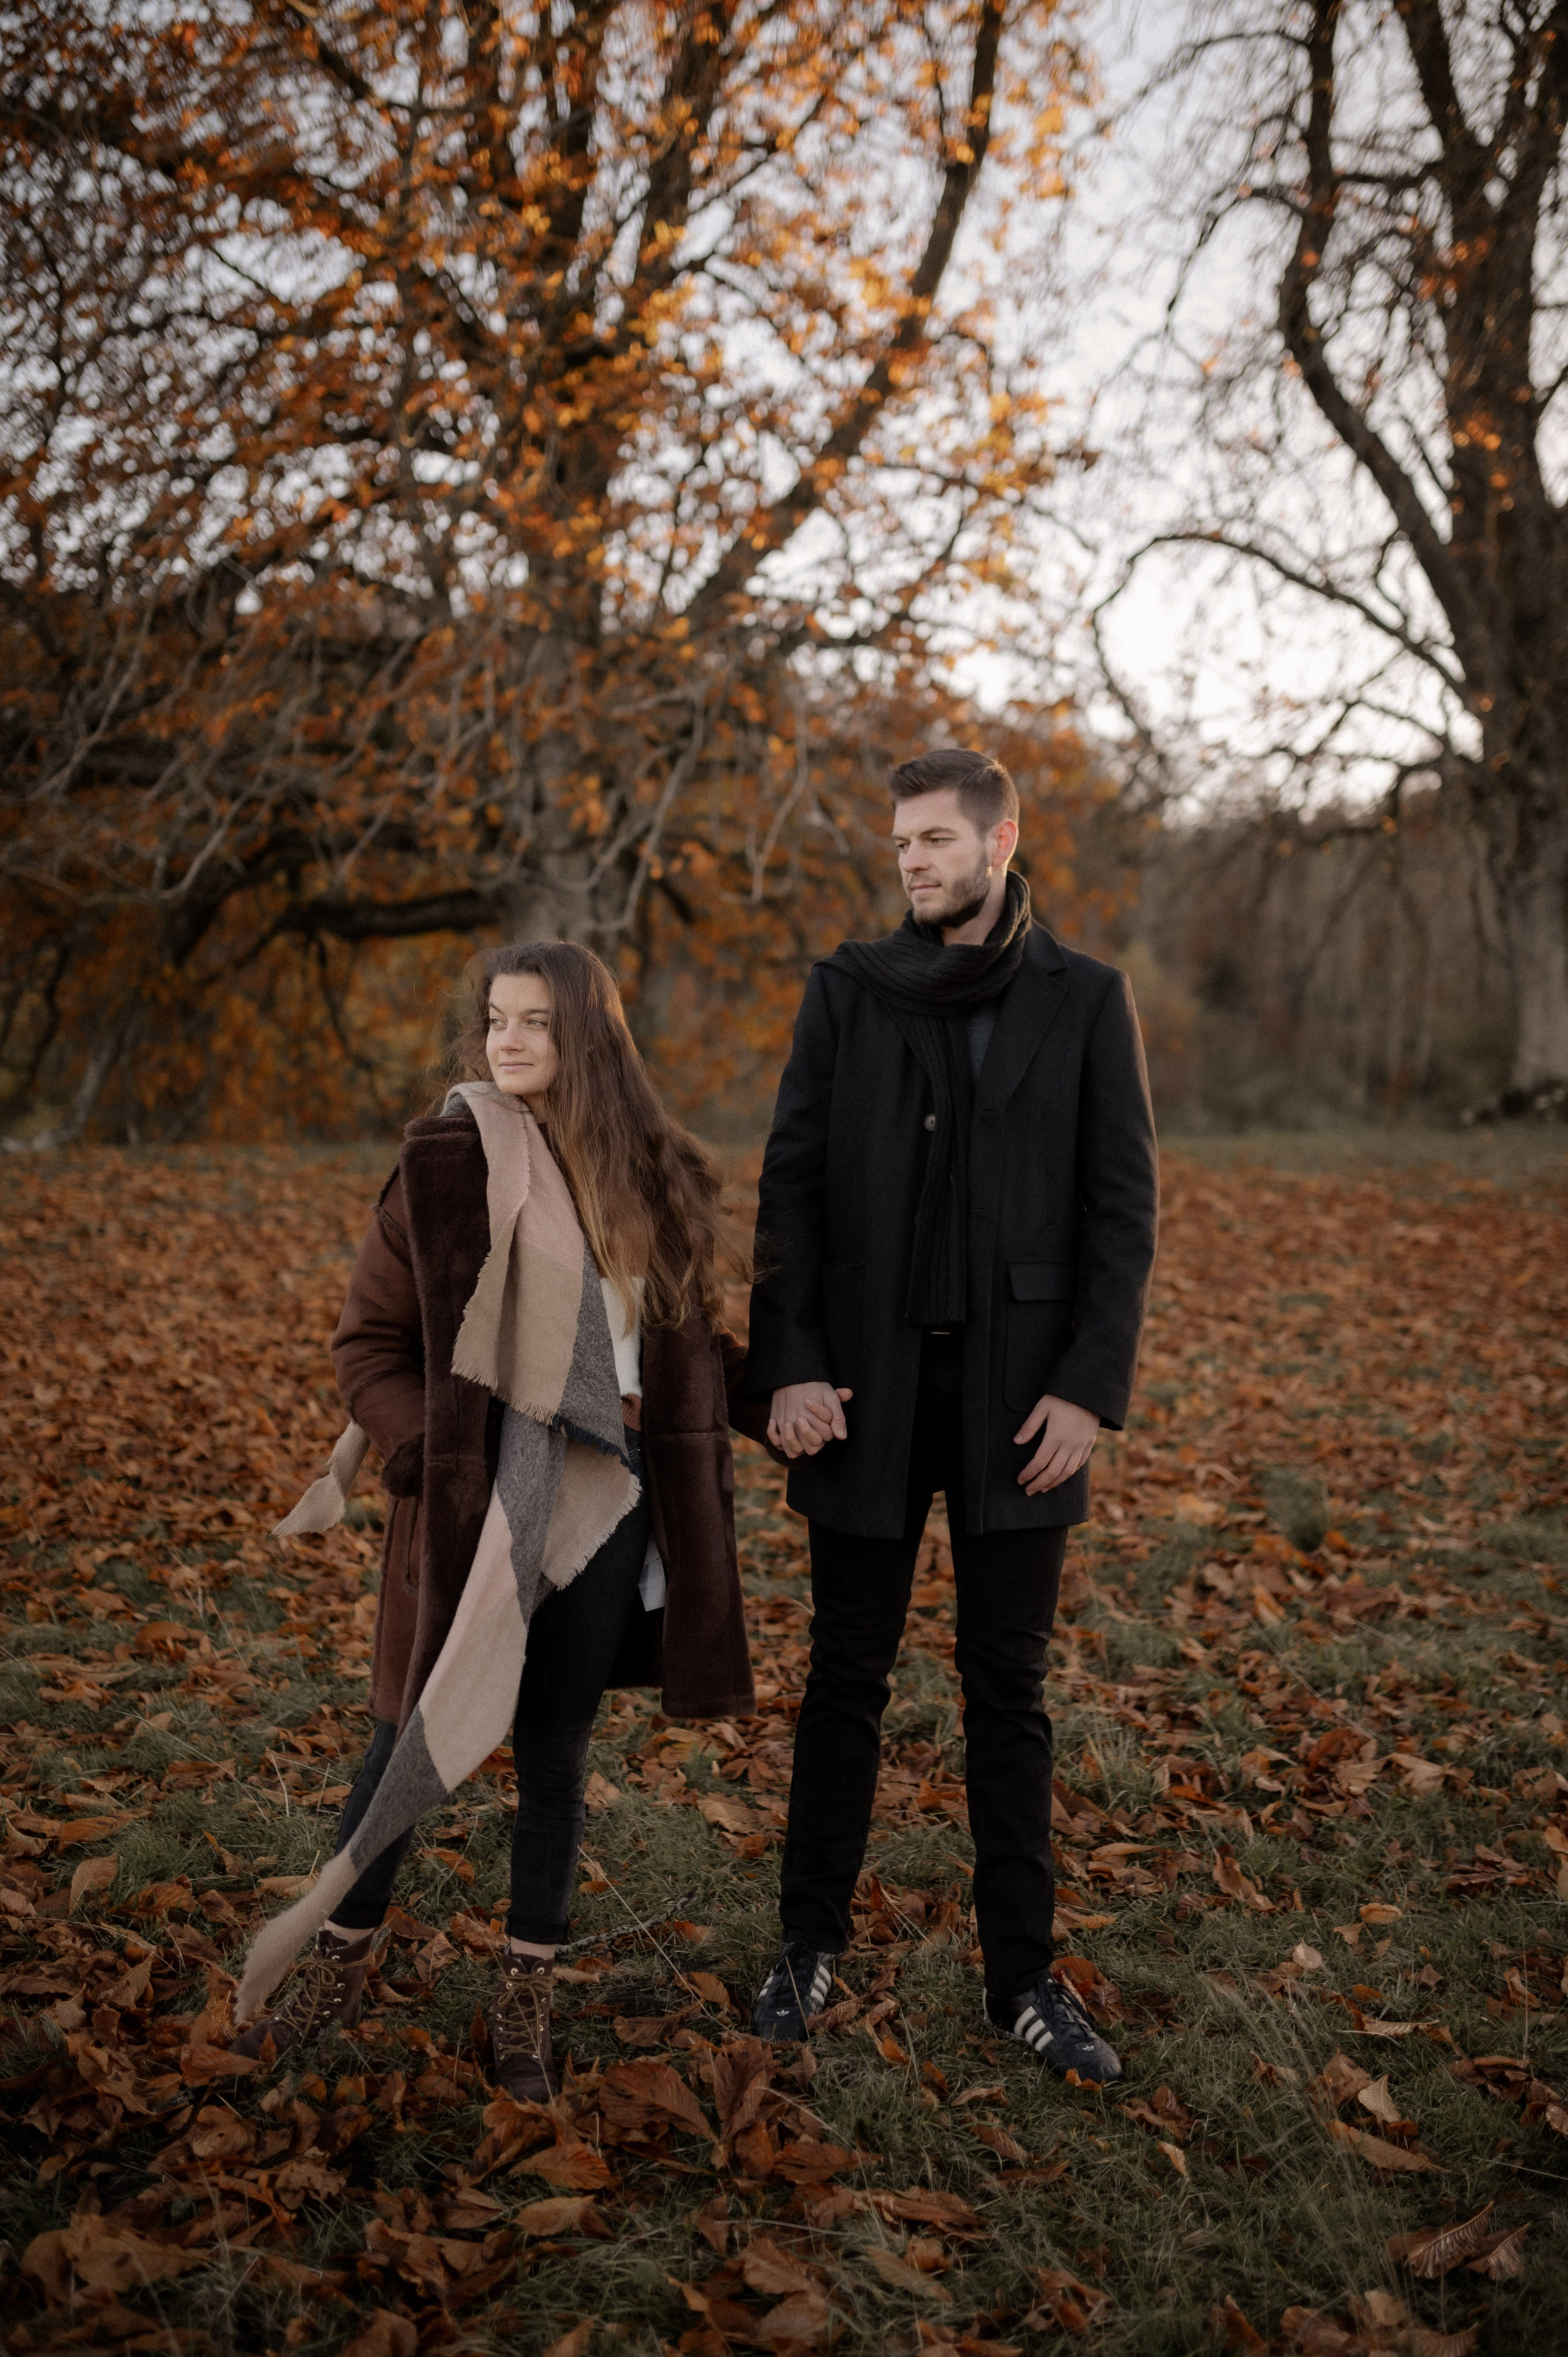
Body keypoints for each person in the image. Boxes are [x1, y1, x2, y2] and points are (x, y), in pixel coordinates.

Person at [233, 942, 771, 2098]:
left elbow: (686, 1354)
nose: (509, 1041)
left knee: (555, 1756)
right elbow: (368, 1345)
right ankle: (334, 1965)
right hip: (476, 1495)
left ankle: (523, 2000)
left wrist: (789, 1397)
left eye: (536, 1022)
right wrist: (431, 1454)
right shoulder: (449, 1159)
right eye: (496, 1019)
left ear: (592, 1041)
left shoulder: (656, 1175)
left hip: (611, 1493)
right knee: (408, 1738)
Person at [743, 747, 1158, 2086]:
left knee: (1007, 1693)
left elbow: (1120, 1210)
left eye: (934, 839)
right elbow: (788, 1192)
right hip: (862, 1390)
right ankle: (807, 1947)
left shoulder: (1084, 1000)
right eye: (901, 843)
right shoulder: (847, 993)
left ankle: (1022, 1976)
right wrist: (788, 1364)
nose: (912, 862)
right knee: (842, 1682)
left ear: (1000, 841)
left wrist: (1090, 1387)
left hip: (1023, 1400)